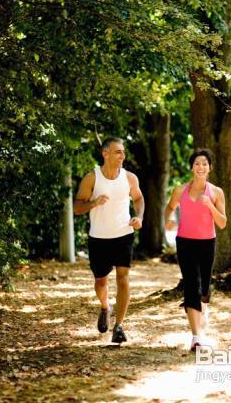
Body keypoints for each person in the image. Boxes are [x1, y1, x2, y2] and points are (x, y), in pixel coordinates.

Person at [74, 137, 144, 343]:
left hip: (123, 234)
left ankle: (119, 326)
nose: (122, 155)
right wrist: (94, 203)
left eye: (123, 152)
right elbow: (77, 207)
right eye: (118, 152)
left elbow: (139, 199)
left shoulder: (130, 178)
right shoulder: (92, 178)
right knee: (100, 282)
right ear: (105, 154)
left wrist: (138, 217)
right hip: (99, 238)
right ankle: (105, 306)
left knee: (123, 279)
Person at [165, 148, 226, 351]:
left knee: (204, 289)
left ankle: (203, 311)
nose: (201, 167)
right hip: (185, 242)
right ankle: (196, 337)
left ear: (209, 168)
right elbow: (169, 208)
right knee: (192, 285)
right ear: (192, 167)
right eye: (197, 163)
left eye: (205, 164)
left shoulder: (216, 192)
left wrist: (210, 206)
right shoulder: (180, 190)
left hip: (207, 243)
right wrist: (170, 219)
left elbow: (223, 222)